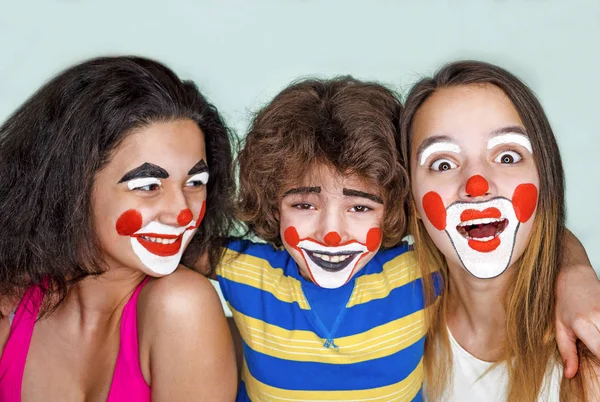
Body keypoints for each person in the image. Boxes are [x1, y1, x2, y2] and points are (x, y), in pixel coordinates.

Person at [0, 56, 237, 401]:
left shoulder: (180, 305)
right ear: (71, 184)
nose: (181, 212)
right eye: (148, 185)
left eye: (195, 182)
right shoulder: (14, 300)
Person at [216, 77, 430, 401]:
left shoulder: (422, 271)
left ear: (396, 207)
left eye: (359, 207)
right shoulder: (246, 271)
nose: (331, 234)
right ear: (273, 203)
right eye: (304, 205)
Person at [400, 60, 599, 401]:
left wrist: (574, 269)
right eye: (443, 164)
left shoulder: (589, 352)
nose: (477, 186)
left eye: (507, 157)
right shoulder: (388, 325)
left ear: (545, 179)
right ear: (413, 202)